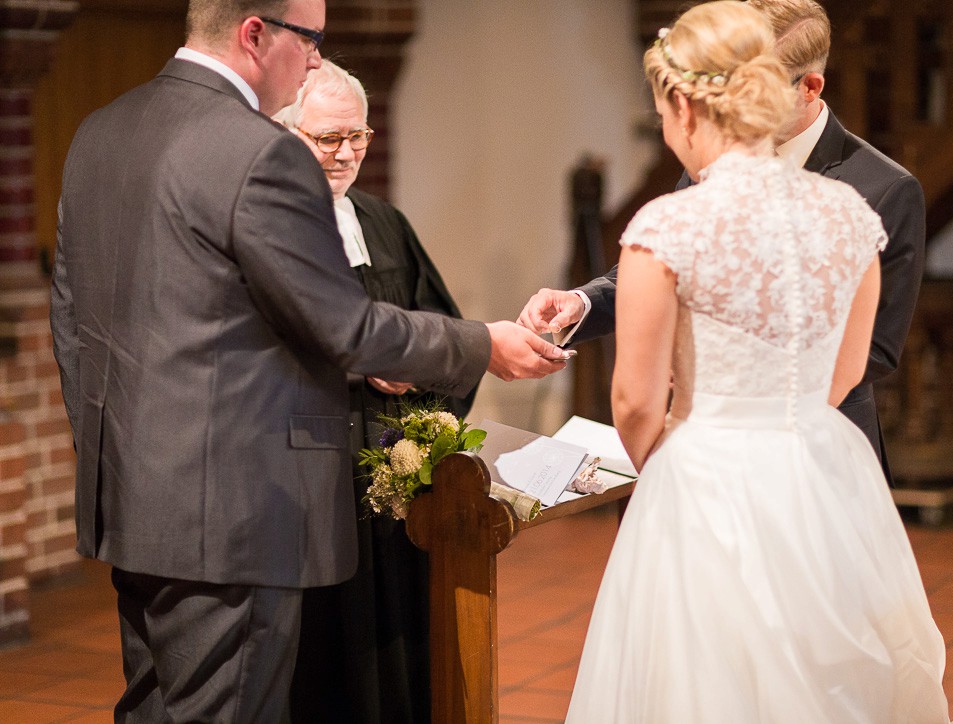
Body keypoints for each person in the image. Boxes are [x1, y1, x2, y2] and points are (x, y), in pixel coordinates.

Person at [48, 1, 567, 721]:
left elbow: (73, 323)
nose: (318, 59)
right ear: (255, 34)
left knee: (155, 709)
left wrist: (107, 454)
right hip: (233, 512)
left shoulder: (101, 131)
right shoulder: (259, 150)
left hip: (135, 499)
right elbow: (345, 326)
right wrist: (486, 344)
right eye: (311, 39)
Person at [564, 3, 948, 721]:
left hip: (703, 472)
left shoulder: (666, 221)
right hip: (824, 471)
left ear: (683, 103)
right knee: (825, 668)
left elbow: (636, 403)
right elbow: (841, 374)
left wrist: (678, 467)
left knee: (705, 681)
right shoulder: (849, 216)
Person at [518, 0, 925, 486]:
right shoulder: (707, 162)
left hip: (822, 461)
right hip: (709, 452)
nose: (735, 101)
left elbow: (875, 349)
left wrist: (717, 395)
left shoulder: (879, 191)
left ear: (810, 87)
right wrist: (584, 301)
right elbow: (674, 261)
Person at [271, 60, 461, 722]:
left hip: (391, 474)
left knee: (400, 645)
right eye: (329, 139)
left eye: (359, 136)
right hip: (305, 483)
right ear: (283, 133)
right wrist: (356, 364)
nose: (347, 152)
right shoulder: (261, 226)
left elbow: (439, 325)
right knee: (326, 656)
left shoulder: (381, 222)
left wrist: (421, 369)